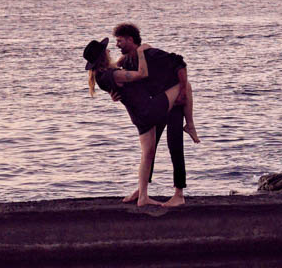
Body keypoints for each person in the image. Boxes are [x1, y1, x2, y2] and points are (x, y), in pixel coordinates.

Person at [84, 37, 186, 209]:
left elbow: (117, 71)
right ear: (103, 56)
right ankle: (190, 124)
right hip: (149, 109)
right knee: (182, 85)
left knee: (148, 153)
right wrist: (139, 52)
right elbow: (142, 74)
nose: (110, 51)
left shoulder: (102, 75)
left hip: (139, 115)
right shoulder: (113, 74)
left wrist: (127, 55)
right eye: (106, 50)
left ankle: (142, 195)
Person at [111, 22, 198, 206]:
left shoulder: (151, 54)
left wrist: (182, 91)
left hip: (173, 102)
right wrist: (116, 95)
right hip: (157, 104)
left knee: (174, 144)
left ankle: (179, 194)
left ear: (130, 40)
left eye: (119, 41)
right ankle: (143, 190)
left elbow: (180, 63)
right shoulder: (129, 60)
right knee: (150, 149)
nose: (116, 45)